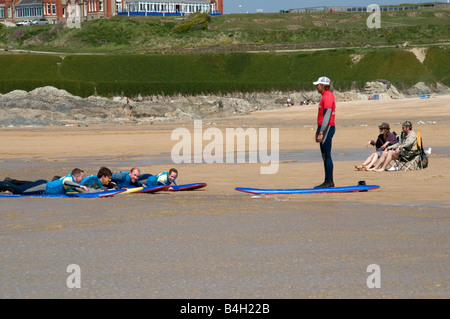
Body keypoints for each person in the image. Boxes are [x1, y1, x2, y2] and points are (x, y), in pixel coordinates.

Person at [313, 76, 336, 188]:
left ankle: (329, 182)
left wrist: (321, 131)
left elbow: (327, 115)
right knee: (324, 155)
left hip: (327, 128)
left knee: (327, 155)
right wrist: (318, 130)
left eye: (318, 85)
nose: (316, 87)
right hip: (324, 128)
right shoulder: (325, 96)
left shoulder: (327, 96)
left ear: (323, 85)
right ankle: (327, 181)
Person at [0, 168, 88, 195]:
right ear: (76, 177)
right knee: (18, 191)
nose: (82, 179)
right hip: (43, 186)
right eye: (82, 177)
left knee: (19, 188)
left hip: (43, 185)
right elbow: (66, 183)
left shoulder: (71, 180)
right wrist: (80, 186)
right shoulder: (69, 179)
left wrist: (88, 193)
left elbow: (74, 189)